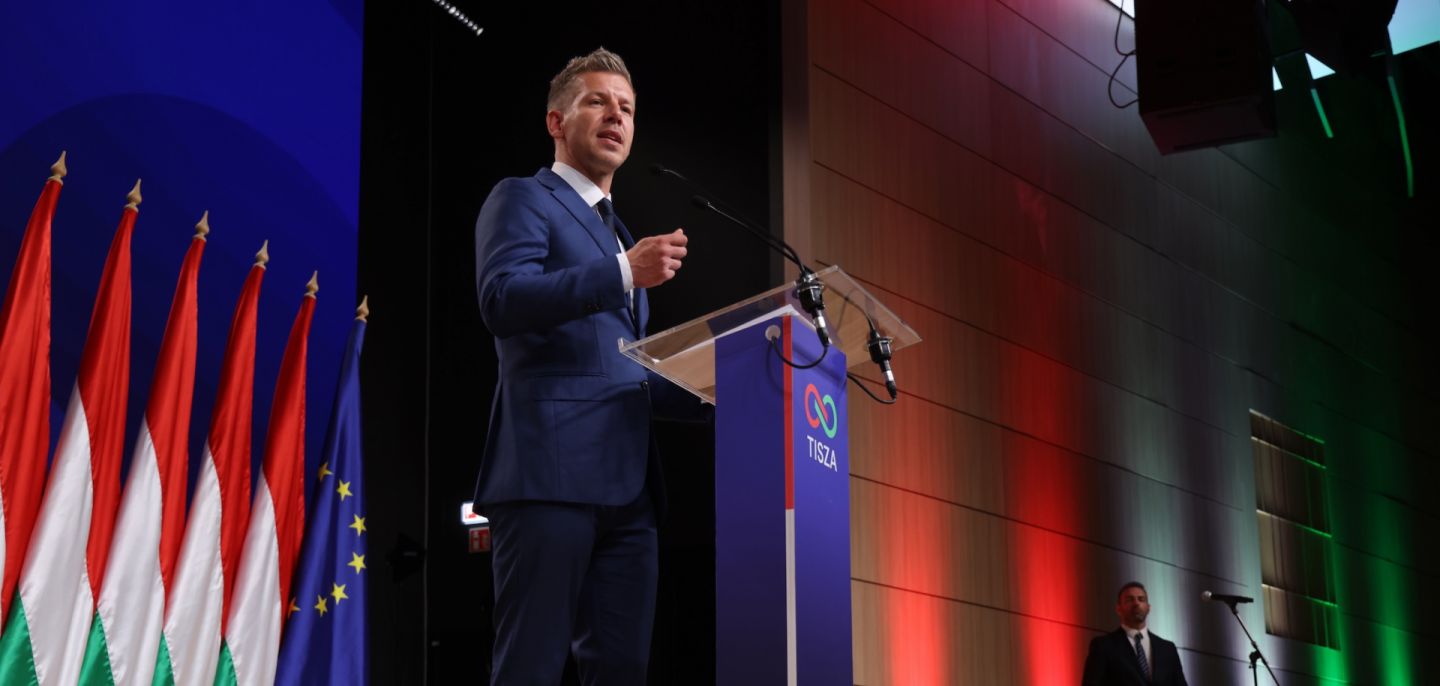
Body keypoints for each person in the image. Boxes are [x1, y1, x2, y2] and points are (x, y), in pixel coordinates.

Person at [471, 48, 697, 685]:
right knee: (530, 669)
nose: (615, 116)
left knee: (621, 672)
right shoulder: (522, 199)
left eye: (626, 107)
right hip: (548, 476)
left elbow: (624, 368)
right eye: (597, 101)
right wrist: (624, 272)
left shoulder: (621, 233)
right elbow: (503, 299)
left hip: (630, 494)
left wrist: (724, 390)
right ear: (555, 121)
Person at [1082, 581, 1190, 686]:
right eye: (1129, 600)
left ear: (1148, 608)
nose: (1136, 603)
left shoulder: (1167, 649)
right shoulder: (1103, 646)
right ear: (1118, 609)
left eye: (1141, 599)